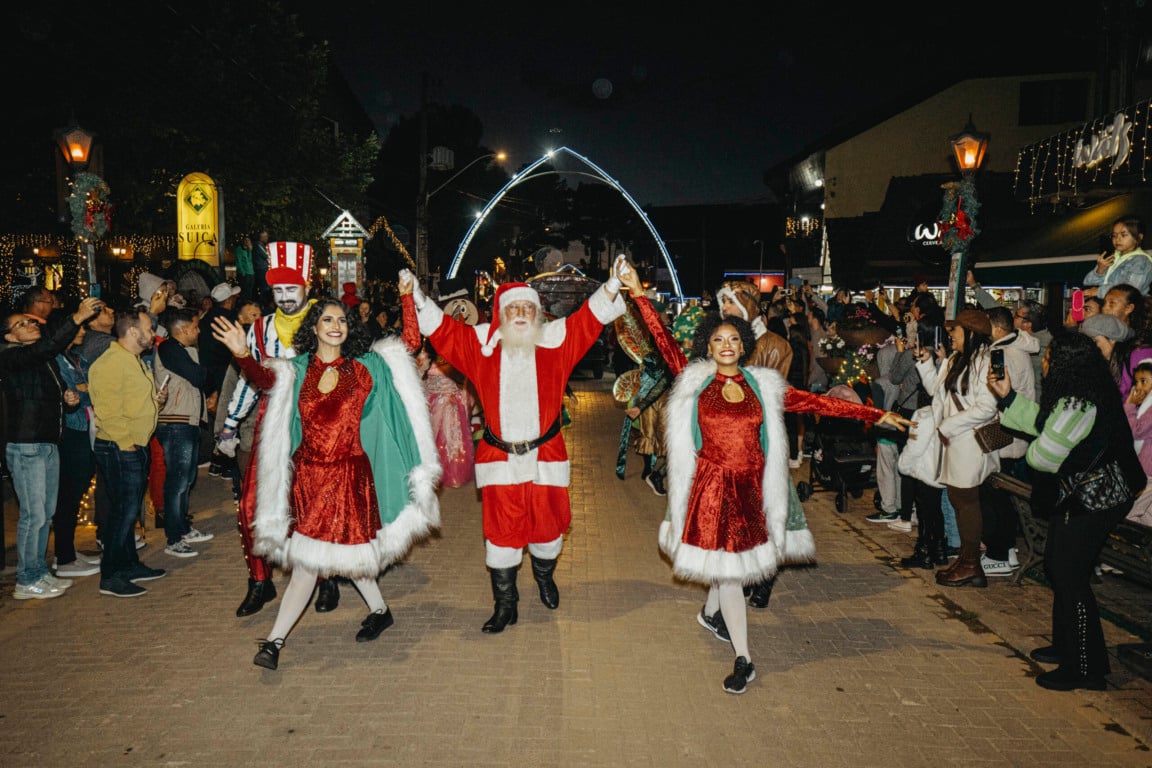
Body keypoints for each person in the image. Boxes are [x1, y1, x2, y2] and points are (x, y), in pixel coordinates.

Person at [617, 261, 911, 693]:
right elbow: (662, 341)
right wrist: (638, 294)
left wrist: (874, 413)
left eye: (734, 338)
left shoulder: (764, 386)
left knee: (726, 569)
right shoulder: (695, 381)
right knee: (732, 573)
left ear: (744, 343)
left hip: (752, 491)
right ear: (708, 346)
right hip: (712, 490)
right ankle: (745, 658)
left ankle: (710, 614)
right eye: (718, 339)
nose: (727, 345)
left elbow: (818, 402)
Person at [399, 260, 626, 635]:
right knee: (501, 532)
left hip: (546, 455)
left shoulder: (557, 341)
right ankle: (506, 605)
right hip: (500, 456)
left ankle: (544, 577)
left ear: (537, 313)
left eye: (527, 308)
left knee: (549, 528)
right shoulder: (480, 346)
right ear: (502, 314)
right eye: (513, 308)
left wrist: (615, 281)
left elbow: (590, 318)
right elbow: (443, 330)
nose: (520, 314)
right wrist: (417, 297)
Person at [210, 300, 440, 670]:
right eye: (327, 319)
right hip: (310, 478)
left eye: (342, 320)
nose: (336, 325)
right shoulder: (297, 370)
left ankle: (273, 643)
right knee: (335, 555)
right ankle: (379, 610)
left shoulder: (366, 367)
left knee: (321, 559)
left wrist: (407, 297)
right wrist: (242, 354)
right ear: (313, 328)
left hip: (351, 477)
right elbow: (266, 380)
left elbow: (408, 344)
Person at [990, 331, 1144, 691]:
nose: (1043, 362)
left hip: (1092, 499)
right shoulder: (1082, 396)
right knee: (1058, 568)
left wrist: (1037, 449)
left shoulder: (1078, 403)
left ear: (1063, 365)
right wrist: (1009, 397)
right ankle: (1066, 647)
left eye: (1049, 357)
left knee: (1069, 575)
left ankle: (1086, 669)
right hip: (1085, 496)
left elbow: (1043, 455)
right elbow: (1046, 426)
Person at [2, 297, 101, 599]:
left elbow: (46, 390)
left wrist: (66, 398)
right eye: (23, 323)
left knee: (45, 513)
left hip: (46, 440)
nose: (31, 324)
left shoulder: (37, 359)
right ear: (9, 336)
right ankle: (26, 579)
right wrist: (76, 318)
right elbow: (48, 347)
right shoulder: (11, 356)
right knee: (33, 515)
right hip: (26, 444)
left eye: (31, 321)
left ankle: (41, 573)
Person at [913, 308, 1000, 588]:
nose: (950, 336)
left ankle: (972, 563)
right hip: (955, 443)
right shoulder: (956, 361)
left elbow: (987, 408)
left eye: (956, 331)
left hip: (969, 444)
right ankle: (966, 560)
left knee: (966, 502)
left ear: (971, 333)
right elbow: (938, 394)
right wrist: (926, 365)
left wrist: (949, 426)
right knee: (959, 501)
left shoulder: (984, 362)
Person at [88, 308, 170, 597]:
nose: (152, 334)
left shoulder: (132, 361)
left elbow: (132, 402)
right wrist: (126, 444)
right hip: (119, 447)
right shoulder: (110, 363)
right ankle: (110, 576)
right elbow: (108, 411)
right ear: (133, 332)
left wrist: (155, 401)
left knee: (129, 510)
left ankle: (129, 564)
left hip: (133, 445)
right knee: (122, 514)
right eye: (148, 328)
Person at [153, 308, 215, 558]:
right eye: (195, 326)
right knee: (177, 481)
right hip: (175, 421)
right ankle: (173, 538)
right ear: (182, 329)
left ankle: (182, 529)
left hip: (186, 419)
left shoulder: (183, 350)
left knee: (185, 479)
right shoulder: (170, 349)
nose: (198, 331)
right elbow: (199, 376)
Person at [419, 340, 476, 489]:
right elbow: (420, 378)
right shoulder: (424, 355)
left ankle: (453, 471)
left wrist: (459, 393)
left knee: (450, 437)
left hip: (450, 400)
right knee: (431, 437)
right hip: (431, 400)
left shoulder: (451, 354)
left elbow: (465, 376)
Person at [1084, 215, 1152, 297]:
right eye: (1114, 235)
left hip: (1130, 308)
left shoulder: (1141, 260)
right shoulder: (1113, 257)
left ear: (1139, 237)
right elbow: (1088, 282)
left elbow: (1130, 290)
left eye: (1124, 235)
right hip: (1111, 305)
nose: (1117, 239)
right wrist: (1100, 270)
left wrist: (1099, 291)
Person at [1124, 360, 1152, 526]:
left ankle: (1124, 548)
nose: (1138, 387)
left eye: (1144, 381)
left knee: (1131, 511)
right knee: (1147, 515)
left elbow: (1137, 430)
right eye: (1136, 382)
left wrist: (1129, 406)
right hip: (1147, 470)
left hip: (1148, 472)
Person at [252, 231, 271, 303]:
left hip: (261, 268)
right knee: (264, 288)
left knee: (264, 287)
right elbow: (266, 255)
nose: (267, 238)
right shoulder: (258, 245)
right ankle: (264, 303)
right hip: (261, 269)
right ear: (261, 237)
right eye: (266, 236)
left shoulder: (260, 245)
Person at [234, 235, 255, 300]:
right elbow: (238, 261)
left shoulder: (249, 249)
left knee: (250, 291)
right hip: (244, 273)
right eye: (246, 240)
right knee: (244, 291)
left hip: (251, 273)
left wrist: (250, 250)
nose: (247, 242)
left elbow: (251, 260)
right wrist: (242, 272)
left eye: (248, 240)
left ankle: (248, 303)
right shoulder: (239, 249)